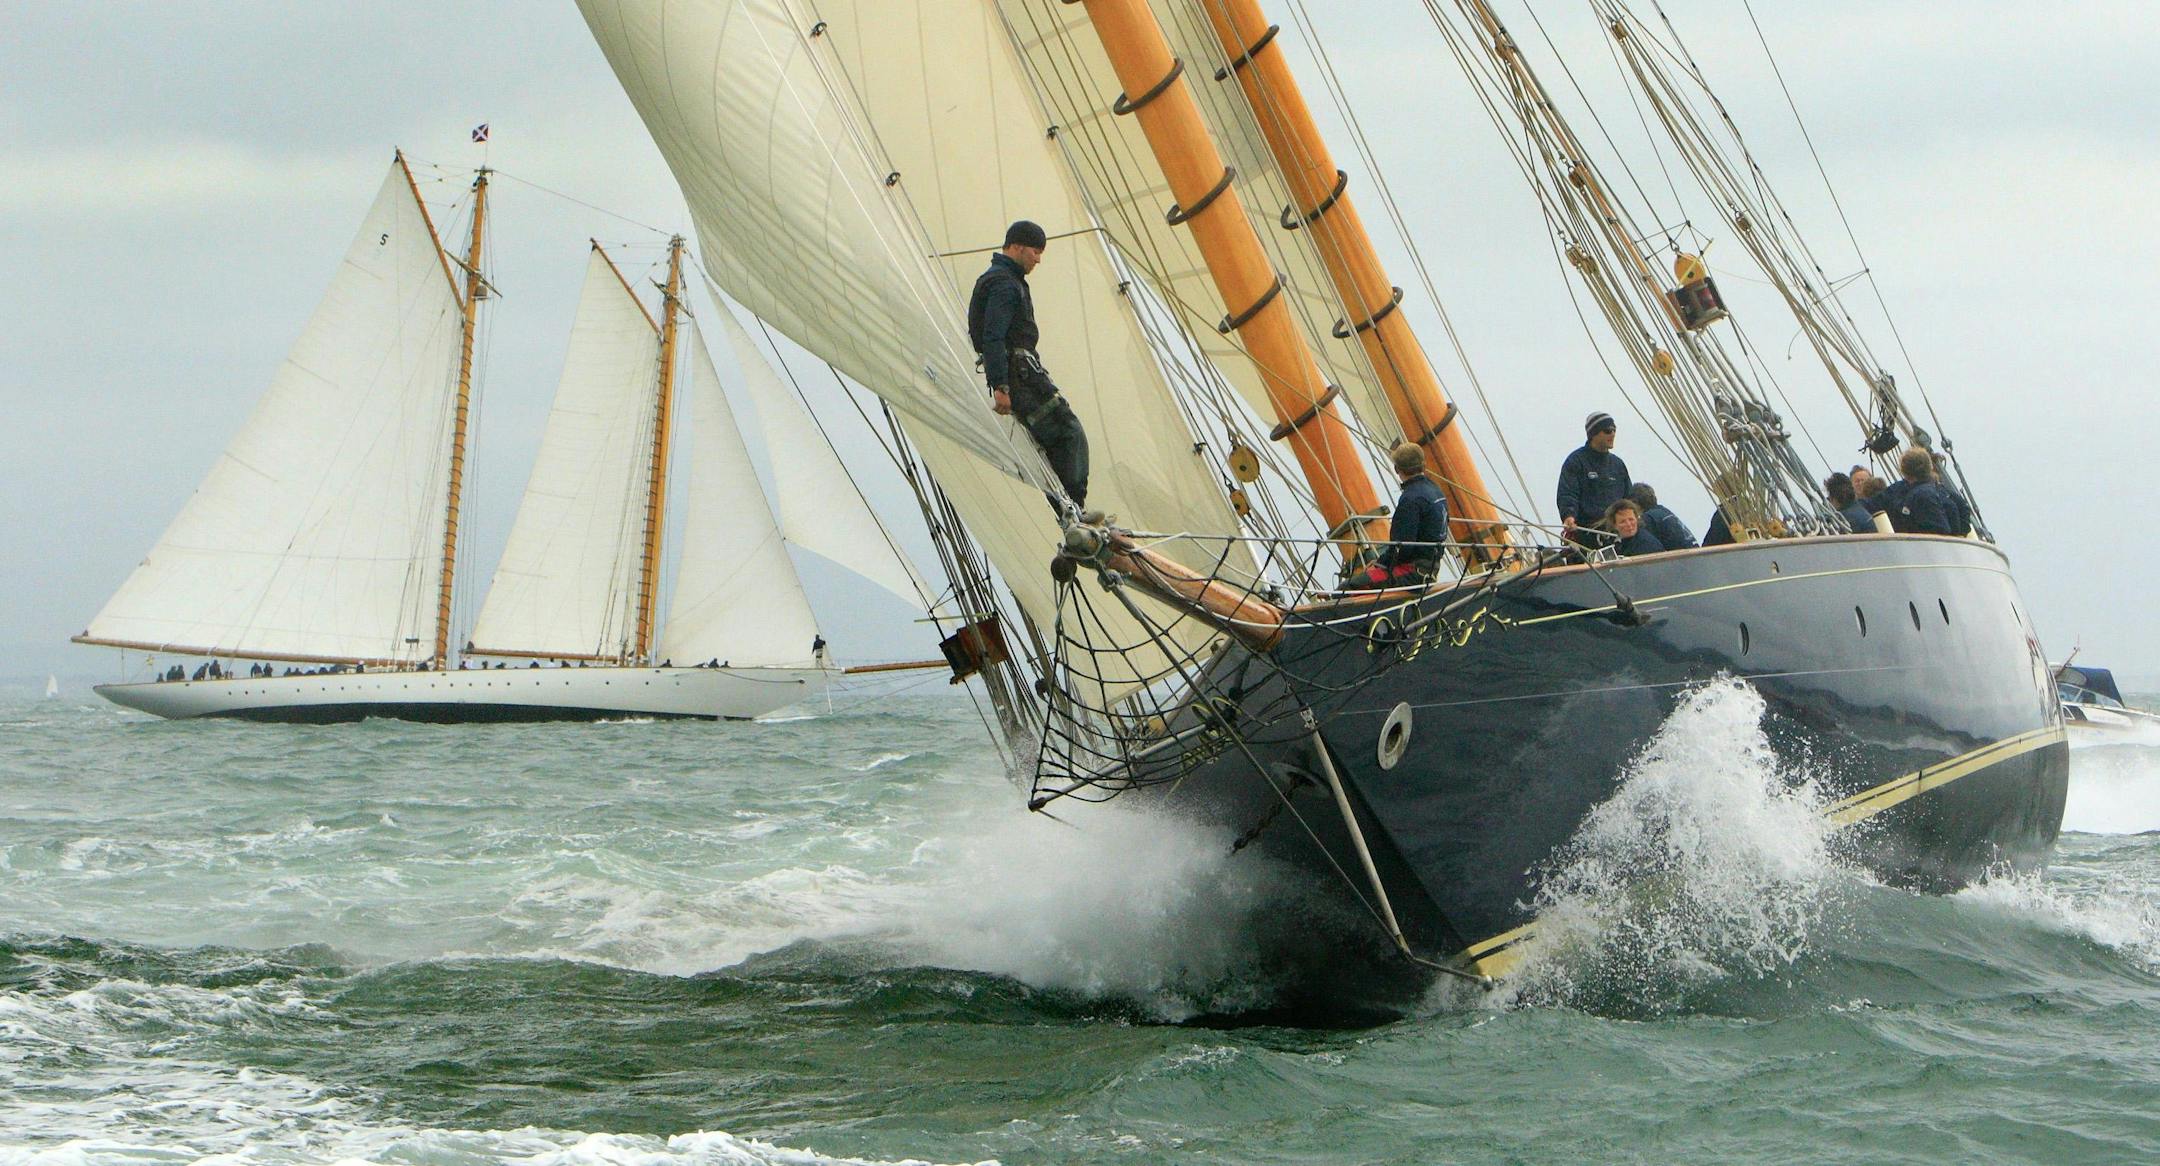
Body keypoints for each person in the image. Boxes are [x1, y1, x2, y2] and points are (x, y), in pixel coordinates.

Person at [969, 220, 1089, 514]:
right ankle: (1073, 511)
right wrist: (1001, 386)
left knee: (1056, 439)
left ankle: (1070, 511)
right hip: (1021, 378)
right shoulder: (1005, 284)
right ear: (1017, 247)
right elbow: (993, 336)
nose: (1038, 259)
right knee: (1068, 432)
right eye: (1036, 252)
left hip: (1021, 374)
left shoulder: (1001, 279)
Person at [1354, 443, 1450, 589]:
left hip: (1412, 572)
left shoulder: (1410, 500)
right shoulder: (1436, 491)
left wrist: (1380, 563)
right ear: (1423, 465)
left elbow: (1402, 548)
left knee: (1350, 587)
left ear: (1397, 469)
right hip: (1431, 567)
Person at [1556, 411, 1630, 546]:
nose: (1613, 434)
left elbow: (1628, 498)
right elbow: (1567, 493)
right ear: (1593, 434)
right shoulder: (1576, 461)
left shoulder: (1618, 465)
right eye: (1607, 431)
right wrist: (1568, 516)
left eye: (1614, 430)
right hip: (1587, 534)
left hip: (1616, 534)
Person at [1877, 448, 1955, 535]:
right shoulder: (1945, 493)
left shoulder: (1920, 495)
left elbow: (1940, 530)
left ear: (1904, 471)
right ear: (1930, 467)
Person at [1627, 483, 1697, 550]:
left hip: (1681, 556)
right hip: (1695, 552)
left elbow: (1645, 544)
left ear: (1634, 502)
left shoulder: (1649, 518)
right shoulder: (1664, 511)